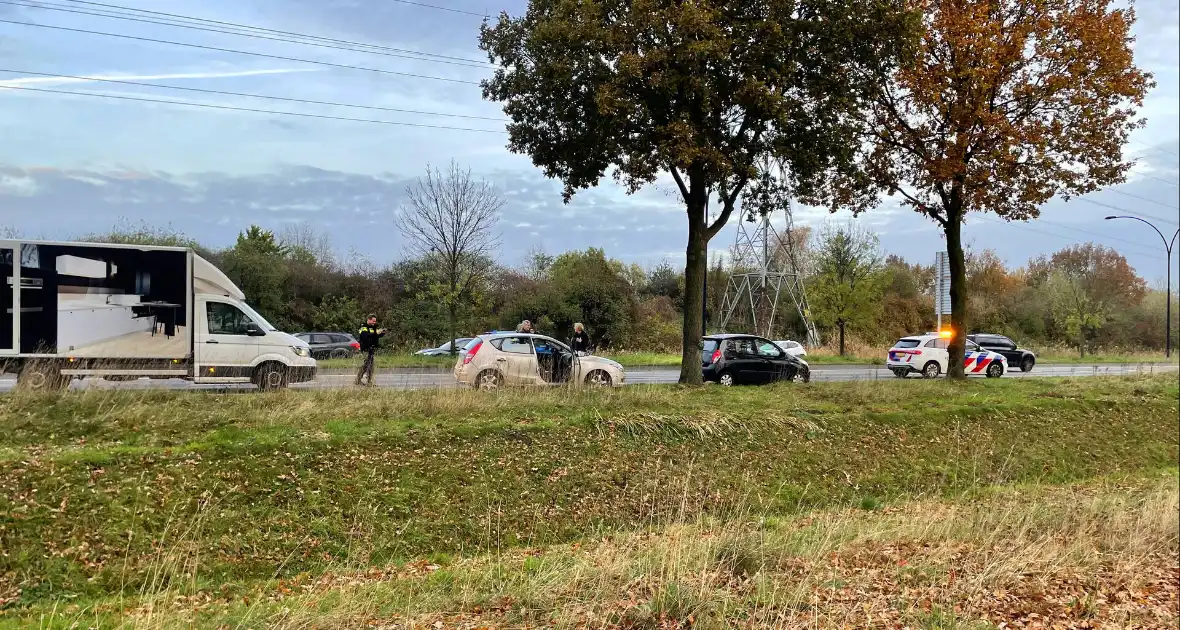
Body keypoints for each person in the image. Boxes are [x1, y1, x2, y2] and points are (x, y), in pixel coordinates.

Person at [355, 314, 386, 386]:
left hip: (371, 349)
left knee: (369, 365)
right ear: (368, 319)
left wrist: (382, 333)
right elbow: (365, 336)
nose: (374, 323)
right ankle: (362, 380)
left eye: (375, 321)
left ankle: (365, 381)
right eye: (373, 321)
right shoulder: (363, 327)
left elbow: (376, 336)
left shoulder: (372, 328)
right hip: (365, 349)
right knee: (367, 365)